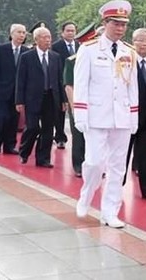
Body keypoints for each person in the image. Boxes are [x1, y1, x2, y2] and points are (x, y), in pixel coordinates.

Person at [74, 0, 139, 229]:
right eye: (116, 23)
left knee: (118, 166)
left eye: (123, 25)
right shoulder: (89, 49)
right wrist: (80, 114)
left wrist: (134, 117)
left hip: (121, 115)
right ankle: (86, 195)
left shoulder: (128, 51)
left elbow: (132, 86)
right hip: (96, 114)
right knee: (94, 162)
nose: (120, 28)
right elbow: (80, 83)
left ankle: (110, 211)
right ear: (105, 22)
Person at [15, 25, 66, 168]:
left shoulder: (55, 57)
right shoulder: (27, 57)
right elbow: (21, 79)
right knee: (32, 127)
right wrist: (19, 100)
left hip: (51, 97)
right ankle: (24, 152)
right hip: (32, 98)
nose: (47, 40)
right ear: (36, 39)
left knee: (48, 130)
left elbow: (59, 80)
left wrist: (63, 99)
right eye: (44, 37)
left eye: (49, 37)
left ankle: (43, 158)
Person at [123, 28, 146, 201]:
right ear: (133, 41)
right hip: (128, 116)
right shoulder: (125, 61)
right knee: (122, 153)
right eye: (140, 40)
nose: (144, 43)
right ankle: (116, 185)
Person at [63, 23, 98, 177]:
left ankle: (95, 166)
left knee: (95, 138)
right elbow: (69, 86)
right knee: (79, 137)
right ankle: (78, 165)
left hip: (96, 105)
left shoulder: (101, 58)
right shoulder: (72, 60)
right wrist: (75, 107)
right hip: (79, 104)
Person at [0, 24, 28, 155]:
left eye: (24, 33)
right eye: (19, 32)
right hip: (2, 90)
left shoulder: (25, 51)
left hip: (18, 93)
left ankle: (10, 145)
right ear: (12, 34)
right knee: (2, 117)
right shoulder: (2, 49)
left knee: (14, 119)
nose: (22, 35)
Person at [51, 21, 79, 149]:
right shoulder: (56, 46)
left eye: (73, 30)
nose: (70, 33)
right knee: (60, 111)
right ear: (62, 32)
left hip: (77, 83)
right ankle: (60, 137)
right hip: (61, 82)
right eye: (68, 30)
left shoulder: (80, 46)